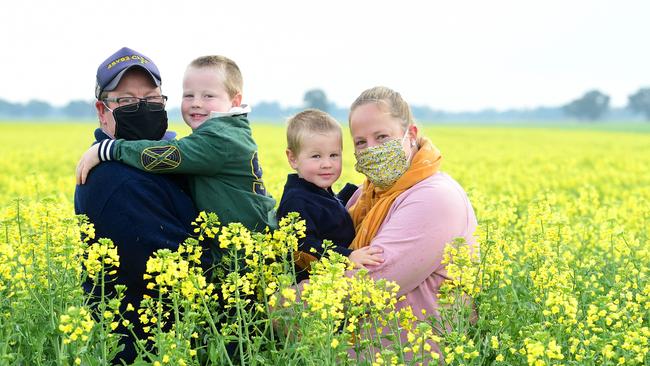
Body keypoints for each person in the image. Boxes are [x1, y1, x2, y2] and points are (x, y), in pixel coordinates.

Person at [74, 47, 198, 363]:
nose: (142, 109)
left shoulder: (158, 163)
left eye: (153, 100)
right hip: (149, 350)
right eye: (127, 101)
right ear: (102, 111)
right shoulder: (119, 181)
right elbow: (183, 269)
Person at [76, 55, 277, 240]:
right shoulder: (116, 180)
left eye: (208, 96)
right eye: (188, 95)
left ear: (235, 101)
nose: (197, 103)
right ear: (102, 111)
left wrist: (110, 149)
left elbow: (169, 155)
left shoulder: (220, 138)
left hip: (244, 246)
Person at [346, 86, 478, 356]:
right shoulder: (366, 195)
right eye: (361, 142)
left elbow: (370, 282)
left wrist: (278, 303)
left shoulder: (434, 198)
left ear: (411, 135)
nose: (371, 149)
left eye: (382, 136)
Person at [276, 109, 383, 282]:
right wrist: (347, 257)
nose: (327, 164)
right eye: (316, 156)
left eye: (334, 155)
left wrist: (354, 191)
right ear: (293, 158)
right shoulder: (296, 200)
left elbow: (327, 211)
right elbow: (303, 245)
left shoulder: (315, 190)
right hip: (311, 287)